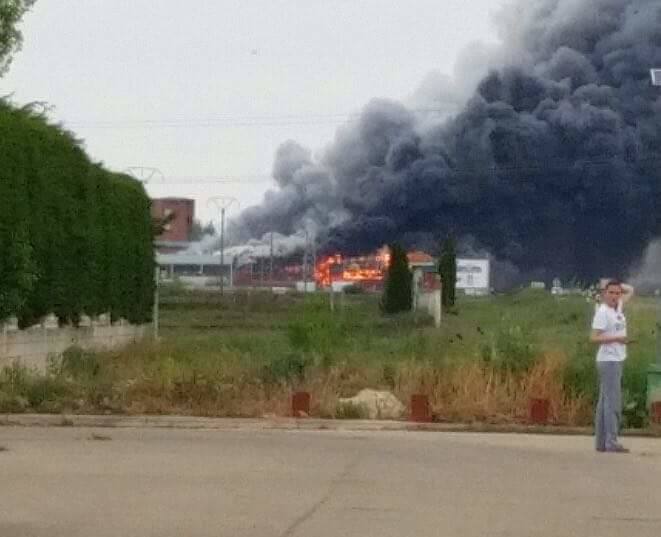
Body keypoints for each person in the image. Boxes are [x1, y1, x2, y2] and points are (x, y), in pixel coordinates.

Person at [590, 280, 634, 453]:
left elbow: (631, 290)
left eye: (617, 293)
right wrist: (616, 339)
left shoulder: (618, 309)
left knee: (604, 402)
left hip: (617, 357)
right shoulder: (603, 312)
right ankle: (611, 441)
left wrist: (618, 285)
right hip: (609, 360)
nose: (615, 296)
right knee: (612, 403)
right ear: (604, 294)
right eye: (611, 293)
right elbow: (594, 338)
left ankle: (601, 441)